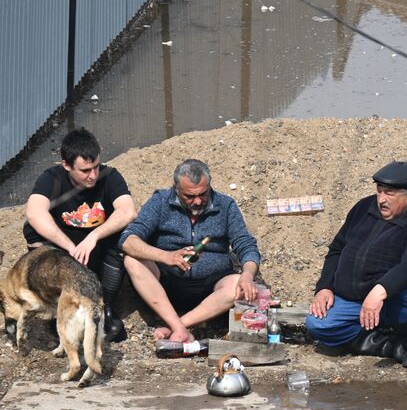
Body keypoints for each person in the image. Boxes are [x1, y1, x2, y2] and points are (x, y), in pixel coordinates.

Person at [306, 161, 407, 368]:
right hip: (357, 298)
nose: (381, 199)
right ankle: (389, 345)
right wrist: (324, 286)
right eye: (379, 192)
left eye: (389, 194)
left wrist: (379, 291)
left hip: (401, 300)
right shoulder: (363, 208)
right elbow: (337, 249)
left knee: (406, 288)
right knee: (318, 324)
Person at [118, 159, 262, 344]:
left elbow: (246, 244)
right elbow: (128, 240)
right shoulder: (161, 201)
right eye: (189, 196)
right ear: (176, 188)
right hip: (166, 285)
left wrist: (248, 275)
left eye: (203, 194)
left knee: (237, 285)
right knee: (132, 260)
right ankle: (178, 326)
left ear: (209, 185)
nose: (198, 201)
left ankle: (176, 326)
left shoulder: (225, 205)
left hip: (212, 289)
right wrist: (166, 256)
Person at [22, 128, 139, 343]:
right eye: (85, 170)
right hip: (65, 254)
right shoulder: (52, 179)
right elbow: (34, 212)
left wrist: (93, 237)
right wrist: (68, 246)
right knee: (32, 231)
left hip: (97, 252)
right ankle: (60, 308)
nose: (93, 175)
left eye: (95, 167)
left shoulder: (109, 177)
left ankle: (106, 307)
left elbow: (128, 210)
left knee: (126, 234)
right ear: (66, 165)